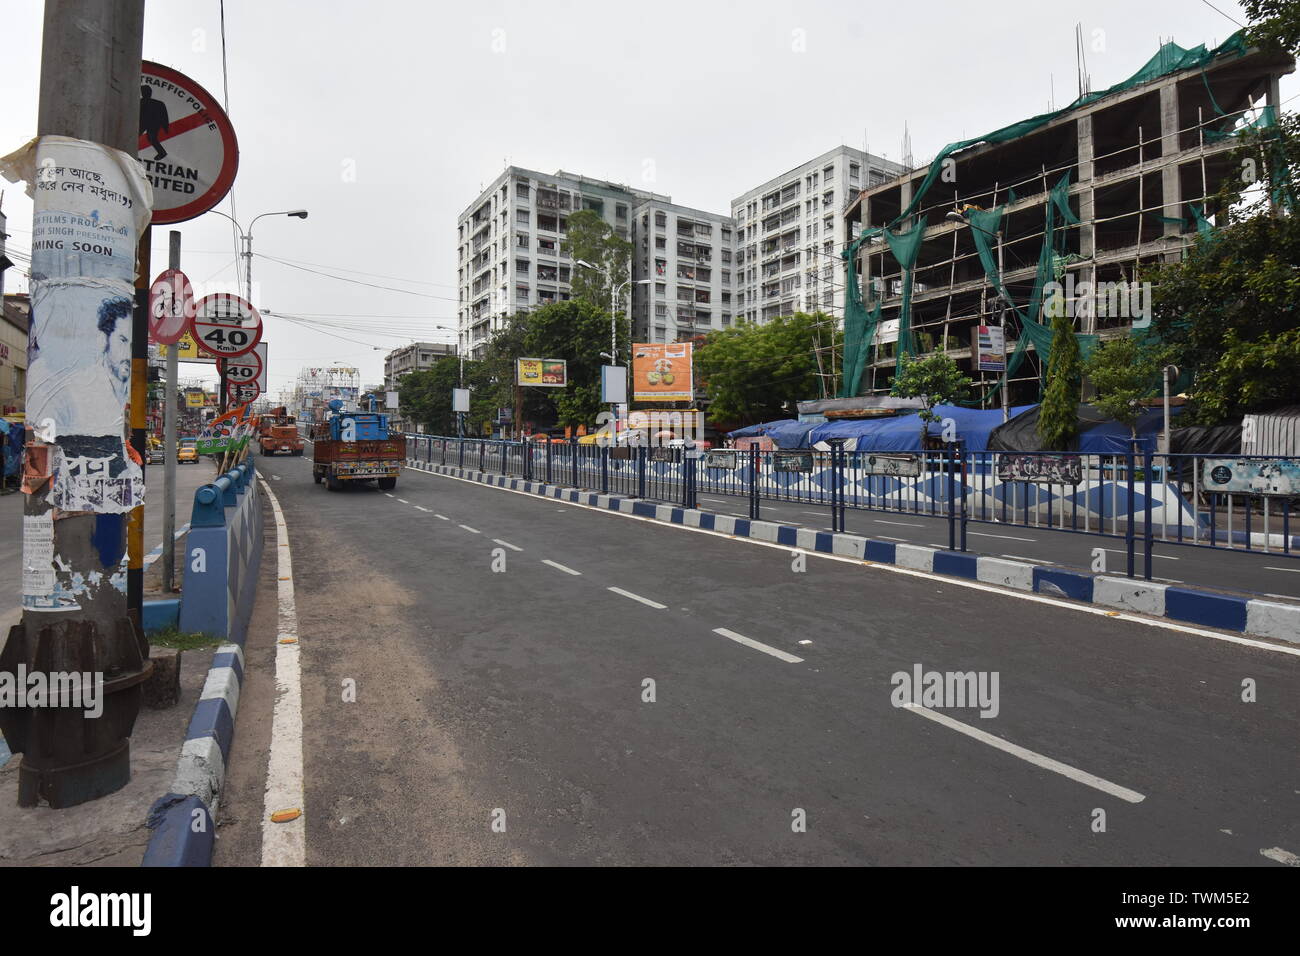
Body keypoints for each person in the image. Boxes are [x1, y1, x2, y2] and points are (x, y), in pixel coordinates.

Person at [139, 86, 169, 160]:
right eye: (143, 92)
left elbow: (164, 115)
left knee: (152, 138)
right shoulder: (139, 101)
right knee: (135, 137)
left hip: (152, 124)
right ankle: (162, 152)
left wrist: (165, 126)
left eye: (146, 92)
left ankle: (162, 152)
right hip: (142, 123)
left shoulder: (158, 103)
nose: (144, 93)